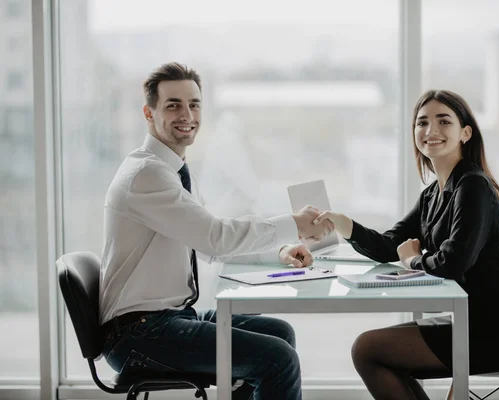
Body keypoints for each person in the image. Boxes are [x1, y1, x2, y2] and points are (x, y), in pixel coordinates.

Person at [99, 62, 332, 400]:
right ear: (149, 114)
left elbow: (206, 246)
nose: (187, 114)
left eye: (194, 104)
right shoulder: (147, 175)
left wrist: (278, 252)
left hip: (167, 319)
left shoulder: (171, 171)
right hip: (138, 334)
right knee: (278, 360)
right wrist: (293, 224)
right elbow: (217, 238)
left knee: (279, 334)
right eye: (173, 105)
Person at [313, 90, 499, 400]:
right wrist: (344, 224)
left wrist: (412, 261)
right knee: (370, 348)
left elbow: (452, 263)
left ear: (465, 133)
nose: (431, 131)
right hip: (471, 320)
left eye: (443, 121)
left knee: (367, 350)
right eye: (422, 123)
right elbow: (389, 245)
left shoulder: (472, 185)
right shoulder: (433, 193)